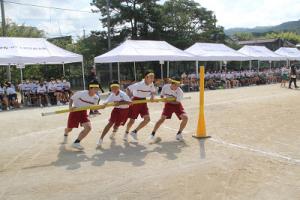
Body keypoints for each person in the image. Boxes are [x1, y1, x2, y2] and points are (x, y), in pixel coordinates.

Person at [149, 77, 188, 143]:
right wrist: (161, 99)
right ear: (172, 84)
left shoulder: (180, 92)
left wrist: (167, 101)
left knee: (185, 118)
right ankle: (152, 134)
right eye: (176, 85)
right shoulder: (165, 87)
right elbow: (161, 96)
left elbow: (177, 102)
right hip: (168, 105)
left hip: (177, 105)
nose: (177, 87)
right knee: (162, 119)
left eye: (178, 85)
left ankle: (179, 134)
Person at [64, 80, 100, 150]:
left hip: (83, 112)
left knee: (88, 128)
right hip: (75, 111)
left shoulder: (96, 97)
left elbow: (93, 107)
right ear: (90, 88)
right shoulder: (81, 93)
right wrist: (70, 107)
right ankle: (66, 132)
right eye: (95, 89)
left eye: (97, 89)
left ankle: (76, 142)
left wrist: (97, 109)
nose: (96, 90)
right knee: (69, 129)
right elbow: (71, 99)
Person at [96, 81, 131, 148]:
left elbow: (130, 102)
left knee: (116, 125)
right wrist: (104, 104)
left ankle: (114, 132)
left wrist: (120, 103)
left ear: (118, 88)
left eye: (116, 88)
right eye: (112, 88)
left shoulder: (123, 94)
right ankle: (100, 139)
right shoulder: (112, 94)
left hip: (124, 111)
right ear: (111, 89)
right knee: (110, 123)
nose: (114, 89)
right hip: (116, 110)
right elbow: (107, 101)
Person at [124, 70, 156, 141]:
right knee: (132, 120)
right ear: (146, 78)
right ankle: (126, 133)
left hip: (143, 101)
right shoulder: (139, 84)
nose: (152, 79)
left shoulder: (151, 84)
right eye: (151, 77)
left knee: (147, 119)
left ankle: (134, 132)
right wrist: (129, 99)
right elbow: (128, 89)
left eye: (153, 78)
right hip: (135, 101)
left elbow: (153, 91)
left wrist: (152, 96)